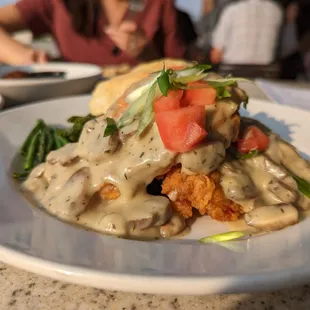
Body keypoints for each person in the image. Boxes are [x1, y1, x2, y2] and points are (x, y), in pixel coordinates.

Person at [0, 0, 186, 66]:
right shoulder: (57, 3)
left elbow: (181, 69)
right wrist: (24, 57)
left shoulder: (160, 4)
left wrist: (149, 55)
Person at [210, 0, 283, 65]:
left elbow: (215, 56)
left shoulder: (232, 10)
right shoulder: (277, 10)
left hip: (233, 71)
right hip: (268, 72)